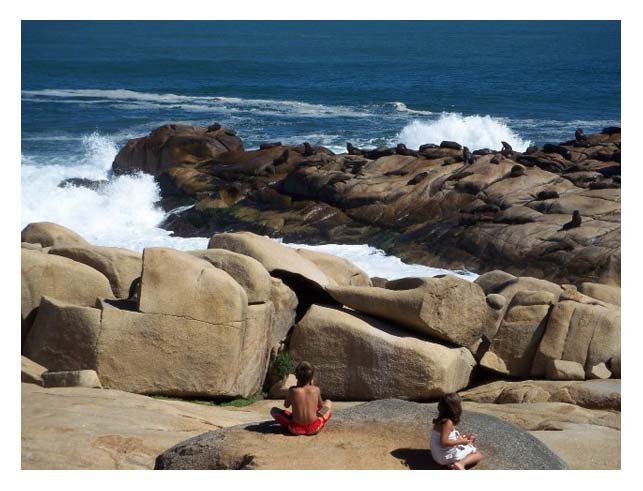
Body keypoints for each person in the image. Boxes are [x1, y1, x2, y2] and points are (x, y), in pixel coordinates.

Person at [270, 361, 332, 436]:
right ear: (311, 378)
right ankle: (319, 419)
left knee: (274, 410)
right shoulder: (316, 389)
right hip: (314, 427)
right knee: (328, 402)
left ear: (296, 376)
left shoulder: (292, 390)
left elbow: (286, 405)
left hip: (295, 428)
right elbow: (321, 405)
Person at [430, 393, 483, 470]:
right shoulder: (447, 422)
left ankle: (451, 463)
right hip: (443, 457)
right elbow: (443, 443)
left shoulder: (441, 419)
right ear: (455, 408)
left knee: (466, 444)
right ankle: (460, 464)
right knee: (478, 454)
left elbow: (447, 438)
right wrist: (462, 442)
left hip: (437, 456)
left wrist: (461, 438)